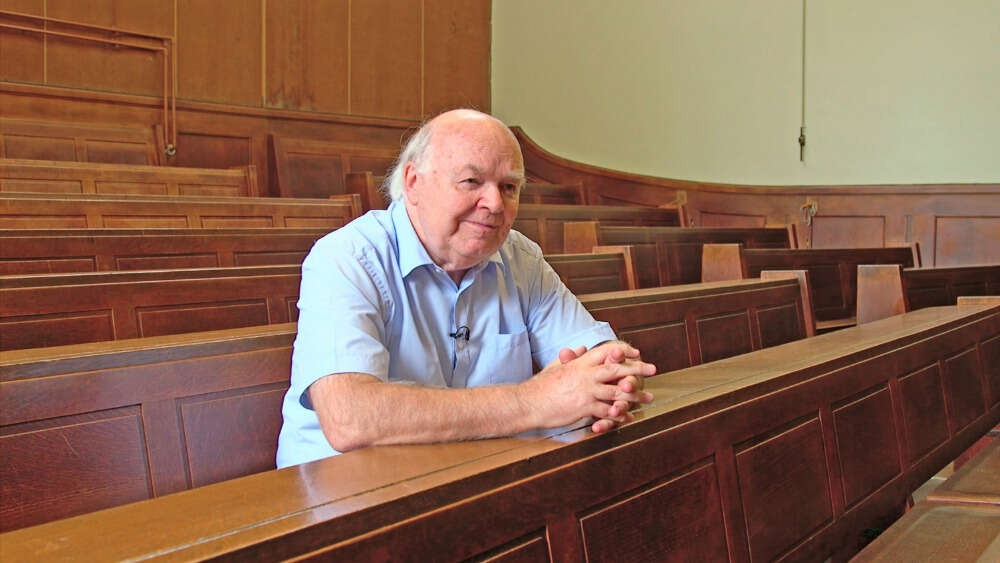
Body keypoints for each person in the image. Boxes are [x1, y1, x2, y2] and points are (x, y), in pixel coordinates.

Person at [276, 109, 656, 468]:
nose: (494, 203)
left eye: (509, 187)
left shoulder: (520, 257)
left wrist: (610, 389)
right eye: (471, 181)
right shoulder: (347, 257)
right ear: (413, 183)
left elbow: (610, 361)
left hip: (469, 475)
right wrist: (536, 400)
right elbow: (350, 418)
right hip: (343, 495)